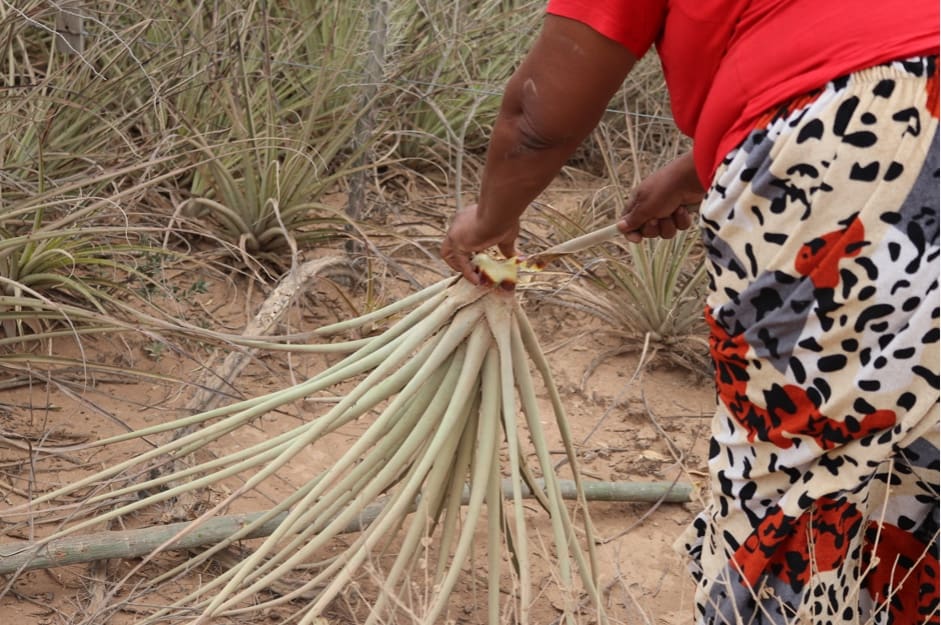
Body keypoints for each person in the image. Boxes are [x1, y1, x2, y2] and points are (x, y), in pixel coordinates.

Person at [440, 2, 940, 623]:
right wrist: (698, 166)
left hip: (856, 137)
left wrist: (487, 220)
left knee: (796, 473)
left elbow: (540, 113)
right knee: (922, 460)